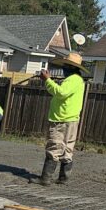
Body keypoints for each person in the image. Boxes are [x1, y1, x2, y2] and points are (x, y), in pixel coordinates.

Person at [37, 52, 89, 185]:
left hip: (61, 119)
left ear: (71, 67)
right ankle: (63, 178)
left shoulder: (72, 79)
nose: (64, 68)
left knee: (54, 146)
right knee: (67, 149)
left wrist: (47, 80)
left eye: (66, 65)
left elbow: (61, 93)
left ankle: (45, 178)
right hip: (71, 119)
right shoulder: (78, 80)